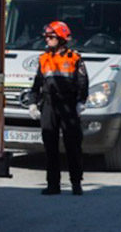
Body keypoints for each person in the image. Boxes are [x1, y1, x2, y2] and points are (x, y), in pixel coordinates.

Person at [28, 21, 89, 196]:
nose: (47, 40)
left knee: (73, 145)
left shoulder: (74, 58)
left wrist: (80, 102)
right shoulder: (43, 58)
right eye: (46, 37)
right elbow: (37, 84)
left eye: (51, 36)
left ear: (61, 38)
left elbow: (83, 82)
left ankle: (76, 183)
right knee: (49, 145)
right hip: (49, 105)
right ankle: (53, 185)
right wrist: (33, 102)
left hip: (68, 105)